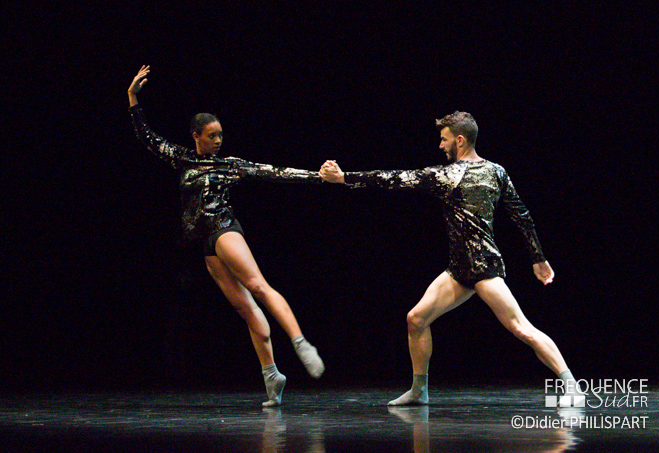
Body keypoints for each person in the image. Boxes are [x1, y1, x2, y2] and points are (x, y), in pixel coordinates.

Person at [320, 111, 579, 405]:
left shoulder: (449, 175)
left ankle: (572, 386)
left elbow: (394, 179)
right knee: (416, 319)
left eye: (444, 140)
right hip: (459, 268)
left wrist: (343, 178)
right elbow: (522, 215)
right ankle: (419, 391)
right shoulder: (497, 171)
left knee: (521, 327)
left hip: (482, 266)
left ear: (459, 139)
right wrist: (537, 258)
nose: (440, 146)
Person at [127, 65, 324, 406]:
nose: (218, 140)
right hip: (204, 244)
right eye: (212, 136)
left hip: (223, 229)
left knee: (258, 286)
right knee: (246, 309)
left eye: (220, 135)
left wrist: (316, 176)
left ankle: (300, 341)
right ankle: (272, 376)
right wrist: (132, 98)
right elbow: (148, 139)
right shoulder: (183, 158)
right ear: (196, 136)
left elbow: (273, 172)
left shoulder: (229, 164)